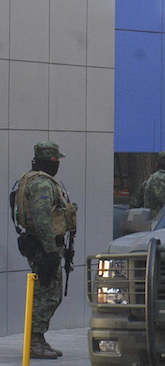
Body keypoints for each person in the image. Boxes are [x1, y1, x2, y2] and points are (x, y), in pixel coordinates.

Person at [14, 141, 77, 359]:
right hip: (44, 247)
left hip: (45, 245)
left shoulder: (35, 180)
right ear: (48, 161)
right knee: (47, 295)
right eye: (55, 160)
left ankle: (37, 338)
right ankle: (34, 341)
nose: (57, 164)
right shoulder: (41, 184)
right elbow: (42, 219)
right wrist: (51, 251)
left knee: (48, 293)